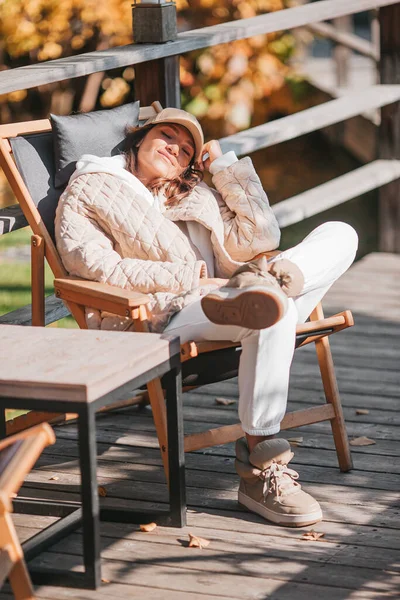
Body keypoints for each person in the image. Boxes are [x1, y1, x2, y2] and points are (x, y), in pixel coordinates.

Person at [55, 107, 358, 528]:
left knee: (341, 233)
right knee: (272, 314)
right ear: (138, 138)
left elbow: (262, 236)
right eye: (166, 136)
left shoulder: (192, 193)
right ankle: (262, 466)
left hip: (236, 296)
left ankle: (265, 285)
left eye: (186, 150)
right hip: (167, 313)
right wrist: (196, 280)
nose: (175, 150)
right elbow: (91, 264)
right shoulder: (90, 189)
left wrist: (227, 169)